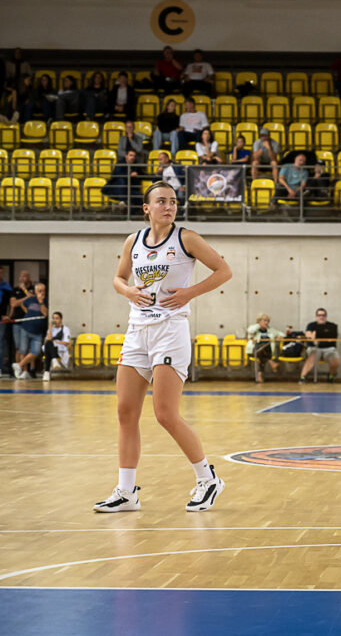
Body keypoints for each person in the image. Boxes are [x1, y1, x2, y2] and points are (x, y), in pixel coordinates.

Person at [93, 181, 233, 513]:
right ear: (147, 208)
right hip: (137, 331)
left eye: (173, 201)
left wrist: (190, 292)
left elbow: (224, 271)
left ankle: (207, 478)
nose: (169, 206)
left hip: (170, 331)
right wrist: (128, 292)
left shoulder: (187, 238)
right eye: (161, 201)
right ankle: (126, 492)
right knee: (126, 413)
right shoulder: (134, 241)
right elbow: (118, 278)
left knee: (165, 414)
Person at [14, 282, 48, 380]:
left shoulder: (46, 301)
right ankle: (24, 371)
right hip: (25, 328)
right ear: (35, 291)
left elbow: (45, 314)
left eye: (43, 291)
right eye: (39, 291)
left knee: (36, 352)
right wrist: (27, 312)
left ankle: (19, 365)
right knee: (23, 350)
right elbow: (22, 304)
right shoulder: (30, 299)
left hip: (38, 331)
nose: (42, 293)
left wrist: (41, 302)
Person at [300, 308, 341, 383]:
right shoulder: (311, 325)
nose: (321, 317)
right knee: (312, 357)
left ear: (326, 316)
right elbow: (308, 336)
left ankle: (330, 375)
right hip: (314, 348)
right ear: (316, 316)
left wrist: (315, 335)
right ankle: (302, 376)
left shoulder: (332, 326)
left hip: (329, 349)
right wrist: (313, 336)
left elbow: (332, 338)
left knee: (335, 360)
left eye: (323, 315)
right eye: (319, 315)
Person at [8, 270, 34, 375]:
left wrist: (25, 290)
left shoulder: (33, 288)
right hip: (17, 323)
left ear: (29, 278)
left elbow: (33, 299)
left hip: (29, 321)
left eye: (25, 276)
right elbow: (13, 304)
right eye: (21, 275)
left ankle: (29, 370)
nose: (22, 278)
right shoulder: (14, 290)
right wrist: (26, 298)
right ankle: (18, 369)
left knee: (29, 347)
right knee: (18, 347)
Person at [246, 313, 283, 384]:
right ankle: (271, 363)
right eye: (265, 320)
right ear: (259, 321)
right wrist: (258, 325)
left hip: (264, 353)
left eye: (268, 321)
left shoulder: (271, 330)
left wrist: (280, 336)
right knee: (261, 347)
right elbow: (250, 331)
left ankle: (259, 376)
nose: (267, 323)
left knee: (262, 354)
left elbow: (282, 334)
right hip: (253, 351)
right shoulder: (253, 328)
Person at [43, 310, 72, 382]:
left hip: (61, 349)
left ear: (61, 319)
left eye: (57, 318)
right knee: (48, 344)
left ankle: (47, 372)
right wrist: (50, 328)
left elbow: (66, 343)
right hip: (51, 348)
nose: (55, 320)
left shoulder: (65, 329)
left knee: (48, 347)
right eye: (53, 318)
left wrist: (56, 342)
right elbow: (48, 339)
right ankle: (54, 360)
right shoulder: (51, 329)